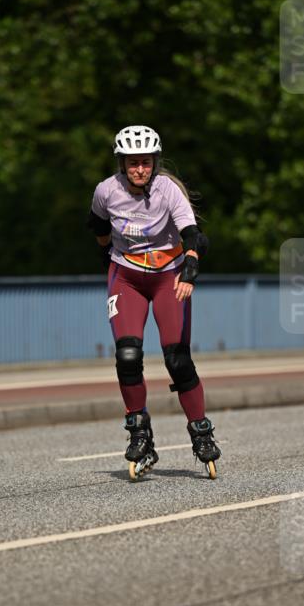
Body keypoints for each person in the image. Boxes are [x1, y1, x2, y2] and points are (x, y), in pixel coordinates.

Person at [87, 124, 222, 479]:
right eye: (132, 163)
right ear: (122, 163)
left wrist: (190, 267)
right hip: (126, 277)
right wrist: (108, 260)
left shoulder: (168, 191)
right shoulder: (106, 191)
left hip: (168, 275)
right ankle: (140, 435)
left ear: (155, 162)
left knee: (176, 358)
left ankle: (201, 432)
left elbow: (191, 233)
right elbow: (98, 227)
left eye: (145, 162)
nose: (139, 169)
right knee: (127, 355)